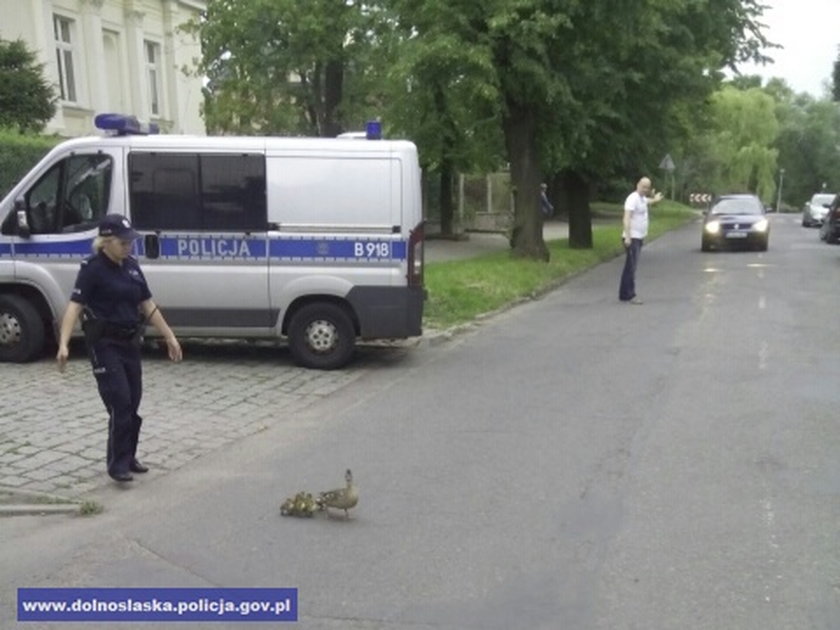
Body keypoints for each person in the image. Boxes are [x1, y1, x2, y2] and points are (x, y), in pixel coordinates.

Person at [56, 214, 182, 483]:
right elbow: (74, 306)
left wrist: (169, 336)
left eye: (130, 242)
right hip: (104, 344)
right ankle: (117, 465)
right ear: (106, 242)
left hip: (129, 343)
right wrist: (64, 344)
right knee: (120, 402)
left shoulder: (132, 267)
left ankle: (129, 455)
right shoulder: (92, 269)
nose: (129, 246)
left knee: (133, 402)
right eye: (123, 242)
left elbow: (147, 304)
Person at [619, 177, 663, 304]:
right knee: (631, 267)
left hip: (639, 237)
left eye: (647, 187)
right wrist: (627, 236)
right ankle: (630, 295)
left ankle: (624, 294)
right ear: (638, 185)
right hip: (632, 237)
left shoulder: (642, 198)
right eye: (643, 186)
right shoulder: (632, 198)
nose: (645, 189)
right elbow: (626, 218)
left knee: (630, 266)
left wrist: (655, 200)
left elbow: (647, 201)